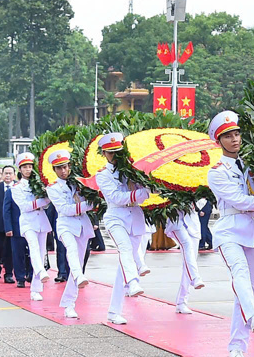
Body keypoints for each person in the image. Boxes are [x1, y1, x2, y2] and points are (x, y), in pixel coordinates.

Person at [206, 110, 254, 357]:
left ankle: (237, 347)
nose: (235, 139)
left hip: (253, 230)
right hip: (229, 230)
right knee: (239, 275)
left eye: (237, 134)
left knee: (250, 287)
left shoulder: (252, 166)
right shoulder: (216, 171)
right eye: (228, 136)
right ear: (219, 140)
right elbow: (238, 200)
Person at [96, 132, 151, 325]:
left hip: (135, 217)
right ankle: (134, 282)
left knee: (122, 266)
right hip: (116, 217)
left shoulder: (133, 171)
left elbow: (146, 193)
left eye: (118, 152)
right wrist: (138, 194)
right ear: (104, 153)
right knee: (125, 249)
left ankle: (113, 311)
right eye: (111, 153)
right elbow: (115, 197)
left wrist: (141, 191)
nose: (115, 156)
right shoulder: (102, 175)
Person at [45, 150, 94, 319]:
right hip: (66, 225)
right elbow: (64, 209)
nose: (63, 171)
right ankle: (79, 276)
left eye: (65, 167)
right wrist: (89, 205)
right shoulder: (53, 188)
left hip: (82, 225)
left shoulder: (80, 182)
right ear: (54, 170)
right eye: (59, 168)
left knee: (78, 262)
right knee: (71, 251)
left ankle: (69, 304)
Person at [10, 153, 53, 301]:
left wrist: (42, 199)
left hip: (40, 219)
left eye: (30, 167)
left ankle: (36, 289)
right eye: (25, 167)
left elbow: (47, 203)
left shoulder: (39, 184)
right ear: (20, 169)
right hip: (27, 221)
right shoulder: (16, 187)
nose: (28, 169)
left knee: (41, 252)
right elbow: (24, 206)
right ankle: (41, 271)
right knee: (33, 248)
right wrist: (40, 201)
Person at [163, 205, 206, 315]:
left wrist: (195, 201)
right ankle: (195, 277)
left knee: (190, 261)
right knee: (187, 245)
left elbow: (202, 201)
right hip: (176, 221)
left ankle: (182, 302)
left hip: (193, 224)